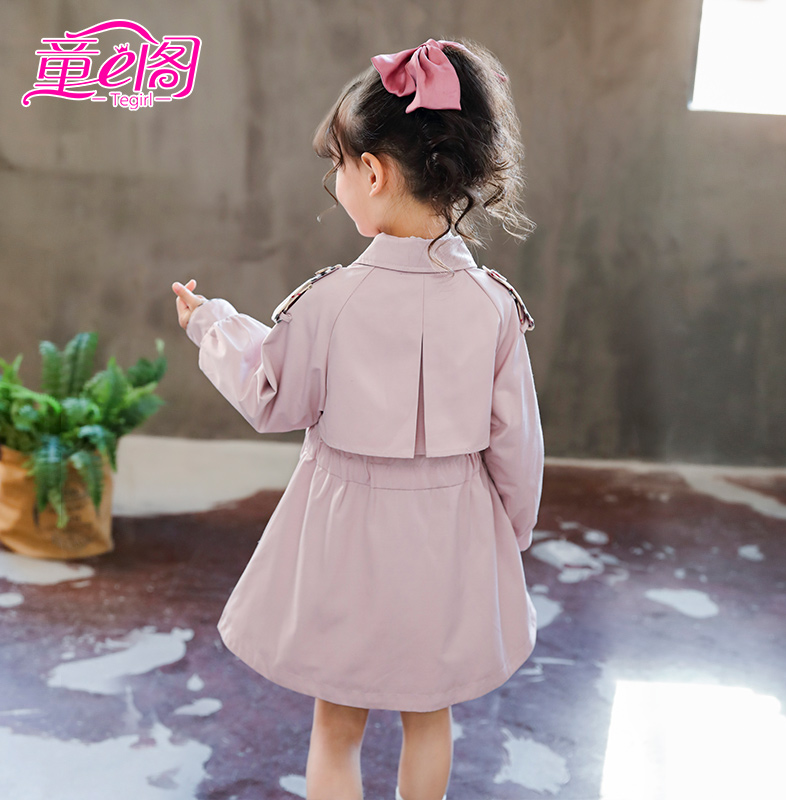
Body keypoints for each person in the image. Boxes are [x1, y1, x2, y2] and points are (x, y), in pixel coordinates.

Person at [172, 36, 544, 800]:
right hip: (451, 533)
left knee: (336, 727)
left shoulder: (330, 301)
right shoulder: (495, 307)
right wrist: (506, 537)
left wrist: (212, 323)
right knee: (430, 716)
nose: (336, 182)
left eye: (337, 166)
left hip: (345, 536)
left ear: (371, 172)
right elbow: (518, 446)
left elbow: (271, 392)